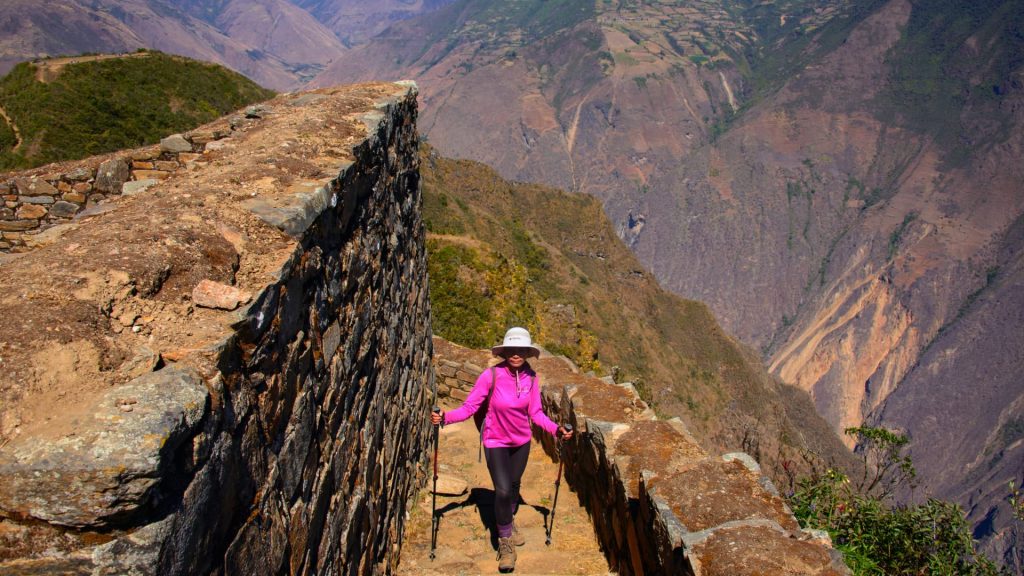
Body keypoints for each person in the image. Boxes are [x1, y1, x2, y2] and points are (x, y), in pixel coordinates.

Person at [431, 327, 573, 573]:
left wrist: (556, 430)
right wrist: (445, 418)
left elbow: (536, 413)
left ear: (528, 353)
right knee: (504, 490)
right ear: (504, 351)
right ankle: (506, 543)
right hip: (495, 440)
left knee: (514, 485)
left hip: (521, 442)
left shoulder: (532, 378)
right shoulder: (491, 376)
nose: (516, 354)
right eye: (512, 349)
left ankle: (506, 519)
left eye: (521, 350)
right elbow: (469, 407)